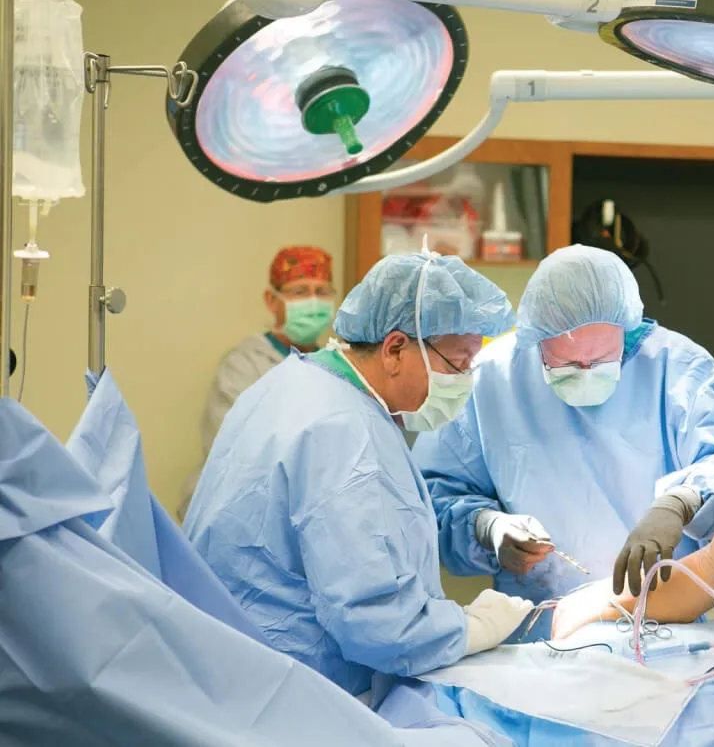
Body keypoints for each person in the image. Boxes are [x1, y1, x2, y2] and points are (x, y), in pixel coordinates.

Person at [184, 251, 534, 698]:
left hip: (235, 669)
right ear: (393, 350)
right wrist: (475, 627)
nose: (464, 381)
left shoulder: (294, 383)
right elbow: (376, 623)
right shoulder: (343, 431)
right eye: (459, 364)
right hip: (294, 693)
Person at [416, 245, 714, 634]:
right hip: (539, 628)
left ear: (626, 328)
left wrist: (680, 503)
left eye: (601, 361)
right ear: (535, 342)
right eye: (567, 364)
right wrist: (487, 528)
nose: (586, 372)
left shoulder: (675, 366)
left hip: (661, 619)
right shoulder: (491, 379)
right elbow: (433, 499)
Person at [177, 245, 338, 519]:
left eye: (321, 292)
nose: (313, 301)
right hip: (240, 511)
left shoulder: (335, 368)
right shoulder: (243, 367)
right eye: (300, 292)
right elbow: (237, 451)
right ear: (272, 300)